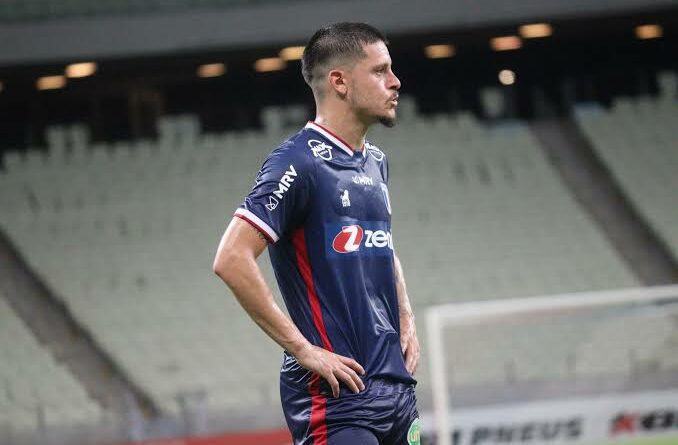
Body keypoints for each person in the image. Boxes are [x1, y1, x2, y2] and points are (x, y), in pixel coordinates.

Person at [213, 22, 420, 445]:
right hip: (337, 398)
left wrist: (406, 315)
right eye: (380, 71)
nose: (395, 82)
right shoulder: (297, 162)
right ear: (339, 81)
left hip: (395, 389)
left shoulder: (375, 162)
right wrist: (303, 349)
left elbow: (380, 244)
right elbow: (231, 257)